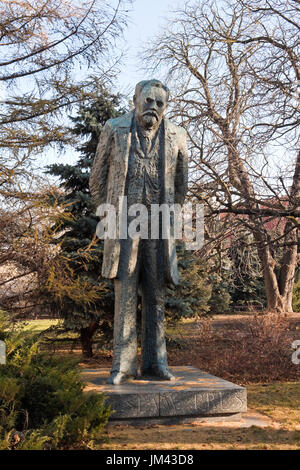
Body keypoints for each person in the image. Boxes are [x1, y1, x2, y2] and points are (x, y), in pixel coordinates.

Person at [90, 79, 188, 384]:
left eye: (160, 103)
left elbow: (182, 186)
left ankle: (156, 363)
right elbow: (98, 179)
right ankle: (123, 365)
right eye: (148, 101)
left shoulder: (178, 136)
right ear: (135, 100)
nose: (153, 108)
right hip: (124, 224)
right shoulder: (114, 129)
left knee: (156, 292)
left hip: (158, 226)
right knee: (126, 291)